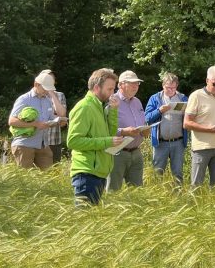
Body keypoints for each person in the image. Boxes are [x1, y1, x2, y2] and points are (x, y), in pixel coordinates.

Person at [67, 68, 124, 205]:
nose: (112, 93)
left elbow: (110, 134)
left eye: (113, 89)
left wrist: (114, 111)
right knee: (84, 220)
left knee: (91, 221)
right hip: (86, 173)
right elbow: (73, 141)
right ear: (97, 87)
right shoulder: (84, 107)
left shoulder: (99, 106)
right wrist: (107, 142)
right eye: (109, 89)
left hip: (98, 172)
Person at [183, 66, 215, 188]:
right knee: (197, 184)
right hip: (202, 147)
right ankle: (193, 206)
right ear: (207, 81)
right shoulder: (196, 96)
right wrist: (208, 129)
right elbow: (186, 123)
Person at [8, 70, 65, 170]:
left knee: (49, 177)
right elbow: (12, 121)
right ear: (36, 84)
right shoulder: (24, 99)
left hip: (43, 145)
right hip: (24, 145)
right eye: (45, 88)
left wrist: (60, 120)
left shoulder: (47, 100)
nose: (47, 91)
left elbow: (51, 117)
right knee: (25, 180)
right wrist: (36, 124)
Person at [107, 70, 149, 191]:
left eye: (137, 83)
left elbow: (141, 123)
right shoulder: (112, 101)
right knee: (113, 190)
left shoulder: (137, 102)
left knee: (137, 191)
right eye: (131, 83)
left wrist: (145, 130)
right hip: (117, 152)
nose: (135, 86)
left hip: (136, 152)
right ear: (120, 85)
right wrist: (123, 131)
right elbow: (105, 130)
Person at [144, 72, 189, 184]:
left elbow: (192, 116)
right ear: (163, 85)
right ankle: (157, 197)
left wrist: (186, 112)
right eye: (168, 87)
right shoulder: (155, 98)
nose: (170, 90)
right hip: (160, 143)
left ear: (176, 86)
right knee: (157, 172)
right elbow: (147, 118)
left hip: (178, 142)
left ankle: (178, 197)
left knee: (178, 173)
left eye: (173, 88)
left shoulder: (183, 98)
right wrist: (159, 110)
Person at [41, 70, 68, 164]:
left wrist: (52, 94)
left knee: (54, 170)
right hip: (38, 141)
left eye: (51, 79)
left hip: (54, 140)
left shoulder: (60, 95)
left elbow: (62, 116)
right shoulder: (34, 96)